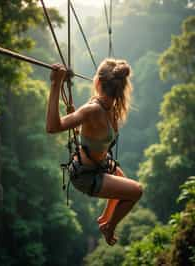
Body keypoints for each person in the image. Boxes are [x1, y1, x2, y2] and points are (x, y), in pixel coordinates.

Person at [46, 58, 143, 246]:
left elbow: (84, 130)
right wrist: (56, 84)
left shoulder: (110, 107)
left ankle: (105, 221)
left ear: (98, 82)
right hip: (86, 175)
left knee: (127, 189)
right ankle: (109, 226)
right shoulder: (94, 109)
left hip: (100, 165)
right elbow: (52, 127)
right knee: (135, 191)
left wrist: (58, 83)